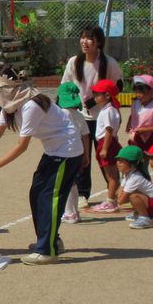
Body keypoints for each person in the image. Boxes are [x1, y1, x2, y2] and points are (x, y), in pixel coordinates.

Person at [0, 86, 84, 265]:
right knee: (36, 194)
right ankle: (50, 241)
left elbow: (21, 146)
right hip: (54, 151)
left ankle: (47, 250)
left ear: (6, 89)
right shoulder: (10, 106)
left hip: (66, 151)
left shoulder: (31, 105)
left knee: (49, 198)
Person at [60, 25, 123, 206]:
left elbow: (119, 85)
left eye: (89, 38)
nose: (85, 42)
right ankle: (83, 194)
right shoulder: (74, 62)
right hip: (80, 117)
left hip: (103, 117)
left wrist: (96, 101)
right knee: (82, 155)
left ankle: (113, 191)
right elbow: (64, 88)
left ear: (99, 43)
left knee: (106, 155)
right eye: (82, 38)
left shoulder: (108, 62)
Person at [55, 81, 91, 224]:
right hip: (78, 152)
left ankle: (70, 213)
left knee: (65, 183)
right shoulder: (79, 115)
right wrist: (86, 155)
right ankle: (74, 212)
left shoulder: (60, 114)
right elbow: (85, 136)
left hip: (64, 153)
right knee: (73, 182)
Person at [88, 79, 122, 213]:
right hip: (107, 141)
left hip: (106, 142)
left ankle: (110, 201)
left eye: (97, 94)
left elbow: (109, 130)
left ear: (107, 95)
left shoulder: (108, 111)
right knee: (111, 175)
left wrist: (105, 148)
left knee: (111, 176)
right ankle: (112, 198)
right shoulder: (109, 109)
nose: (95, 97)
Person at [114, 145, 153, 229]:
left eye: (122, 161)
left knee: (133, 196)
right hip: (152, 202)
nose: (118, 163)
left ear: (133, 163)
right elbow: (118, 192)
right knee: (131, 194)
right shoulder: (128, 174)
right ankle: (139, 214)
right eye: (118, 160)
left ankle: (145, 218)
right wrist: (120, 195)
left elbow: (120, 200)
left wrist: (120, 197)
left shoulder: (135, 177)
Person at [126, 74, 153, 151]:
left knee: (147, 155)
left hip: (149, 138)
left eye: (141, 93)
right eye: (136, 92)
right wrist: (128, 124)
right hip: (135, 136)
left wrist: (145, 130)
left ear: (151, 92)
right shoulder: (136, 103)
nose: (138, 95)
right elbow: (132, 115)